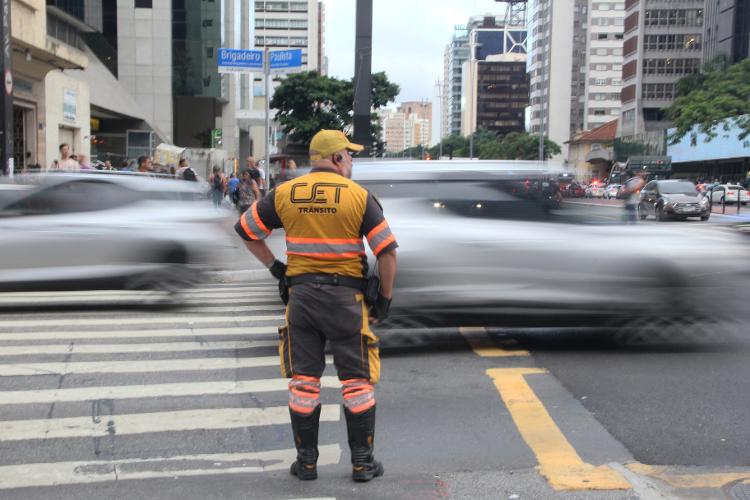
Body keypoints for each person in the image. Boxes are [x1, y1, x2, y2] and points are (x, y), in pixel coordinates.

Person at [235, 129, 398, 483]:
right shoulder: (358, 196)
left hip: (302, 300)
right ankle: (362, 462)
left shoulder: (285, 193)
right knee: (356, 382)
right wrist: (384, 298)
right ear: (337, 158)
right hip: (346, 302)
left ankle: (306, 462)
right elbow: (386, 251)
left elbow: (246, 230)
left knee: (304, 382)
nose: (351, 162)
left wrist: (277, 268)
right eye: (349, 155)